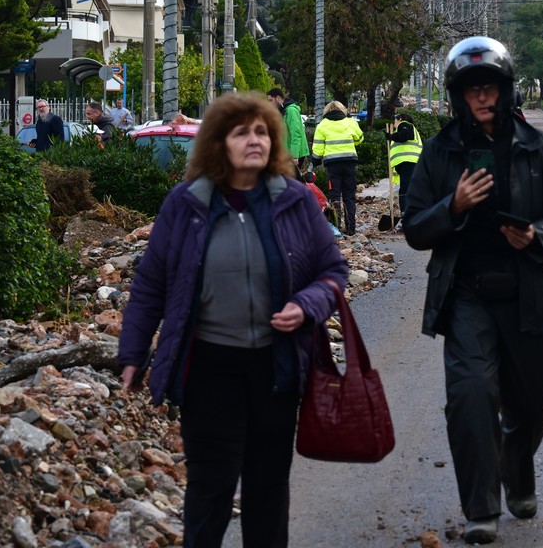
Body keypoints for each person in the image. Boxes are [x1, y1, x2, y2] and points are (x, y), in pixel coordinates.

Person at [117, 92, 348, 548]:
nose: (255, 139)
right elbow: (150, 285)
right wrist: (132, 353)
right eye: (242, 132)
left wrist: (307, 305)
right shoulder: (187, 203)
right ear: (218, 144)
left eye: (261, 131)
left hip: (276, 370)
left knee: (267, 491)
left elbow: (333, 271)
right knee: (210, 489)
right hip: (207, 370)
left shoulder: (295, 200)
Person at [403, 36, 543, 545]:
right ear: (458, 96)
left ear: (505, 91)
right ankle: (481, 509)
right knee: (471, 396)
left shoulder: (538, 146)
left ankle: (518, 470)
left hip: (531, 289)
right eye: (471, 90)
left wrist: (535, 236)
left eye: (490, 89)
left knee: (530, 404)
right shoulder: (438, 153)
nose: (482, 98)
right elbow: (415, 229)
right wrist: (452, 207)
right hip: (466, 295)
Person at [311, 100, 363, 235]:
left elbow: (318, 149)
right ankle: (351, 228)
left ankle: (337, 227)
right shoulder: (350, 122)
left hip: (332, 165)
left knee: (335, 196)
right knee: (349, 196)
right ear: (342, 110)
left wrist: (315, 161)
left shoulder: (322, 125)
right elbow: (360, 138)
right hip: (350, 163)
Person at [385, 111, 422, 218]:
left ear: (400, 119)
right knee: (409, 186)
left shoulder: (405, 125)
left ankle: (405, 213)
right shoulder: (409, 128)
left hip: (408, 161)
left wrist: (391, 136)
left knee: (405, 187)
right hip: (409, 161)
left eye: (395, 120)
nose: (394, 123)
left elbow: (404, 136)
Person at [268, 88, 310, 174]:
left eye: (271, 100)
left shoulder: (290, 111)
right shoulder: (283, 111)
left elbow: (295, 134)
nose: (269, 103)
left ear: (278, 98)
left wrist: (294, 156)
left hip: (293, 154)